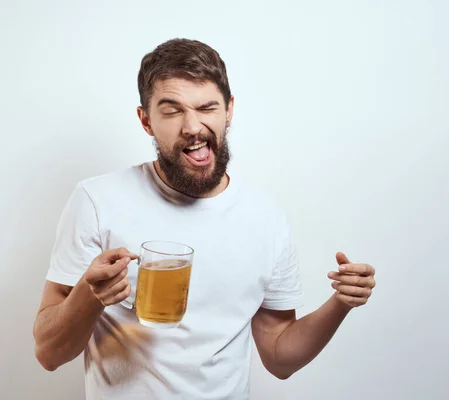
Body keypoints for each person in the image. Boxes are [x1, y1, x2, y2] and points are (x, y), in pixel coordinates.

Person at [33, 38, 376, 400]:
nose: (193, 126)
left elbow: (279, 356)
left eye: (206, 107)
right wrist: (89, 296)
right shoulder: (97, 200)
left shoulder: (266, 217)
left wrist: (340, 303)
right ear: (146, 120)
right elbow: (49, 353)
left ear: (228, 110)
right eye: (172, 110)